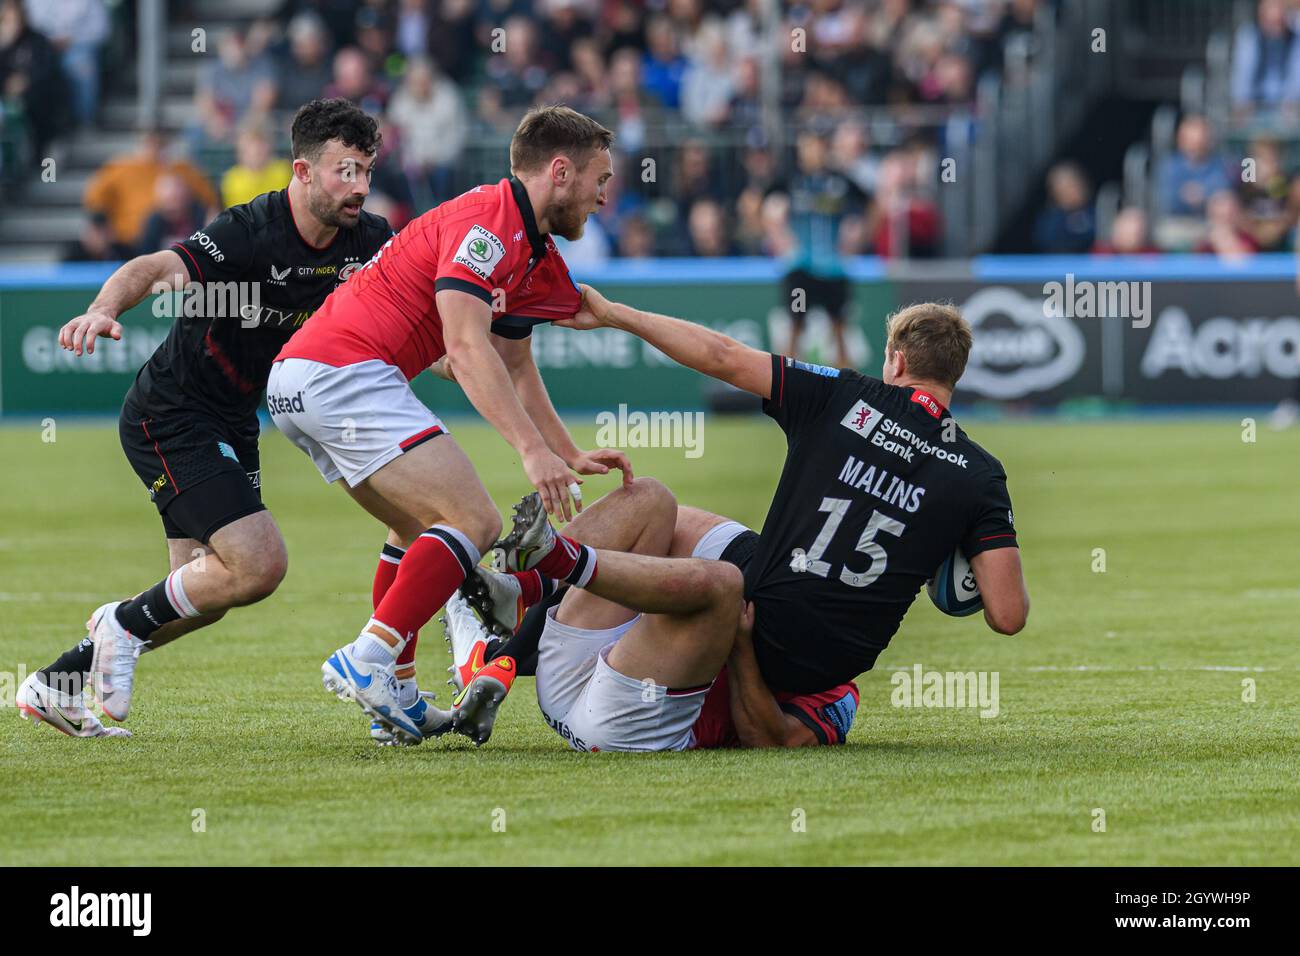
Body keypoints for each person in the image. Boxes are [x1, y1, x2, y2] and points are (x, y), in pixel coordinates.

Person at [457, 290, 1029, 752]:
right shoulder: (978, 475)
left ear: (895, 362)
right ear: (956, 376)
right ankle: (512, 606)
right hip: (789, 639)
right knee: (665, 511)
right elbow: (1007, 615)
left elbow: (723, 357)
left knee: (672, 522)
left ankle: (527, 588)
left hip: (647, 680)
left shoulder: (846, 396)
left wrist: (616, 315)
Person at [16, 100, 393, 739]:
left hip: (233, 421)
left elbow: (418, 328)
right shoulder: (250, 230)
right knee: (258, 564)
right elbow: (158, 268)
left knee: (204, 591)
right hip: (173, 414)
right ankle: (117, 628)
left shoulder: (372, 242)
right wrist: (102, 307)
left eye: (365, 171)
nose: (358, 186)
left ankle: (56, 682)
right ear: (303, 172)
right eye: (344, 171)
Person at [266, 105, 631, 747]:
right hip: (342, 371)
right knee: (476, 523)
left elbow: (514, 361)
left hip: (302, 381)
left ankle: (396, 697)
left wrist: (564, 450)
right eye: (601, 179)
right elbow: (465, 349)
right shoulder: (489, 223)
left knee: (414, 527)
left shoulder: (536, 256)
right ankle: (370, 655)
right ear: (561, 171)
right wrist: (528, 452)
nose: (606, 196)